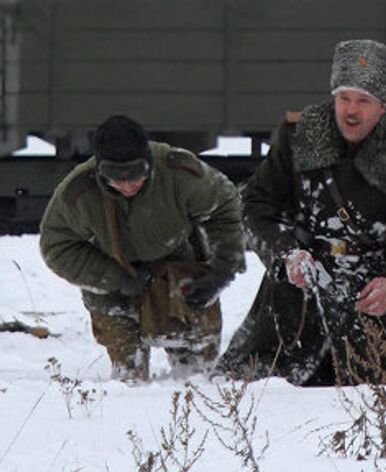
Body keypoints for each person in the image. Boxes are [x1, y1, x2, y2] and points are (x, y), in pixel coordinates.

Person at [216, 39, 386, 385]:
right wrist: (286, 254)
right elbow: (257, 205)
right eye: (344, 98)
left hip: (368, 311)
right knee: (253, 391)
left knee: (374, 396)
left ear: (382, 107)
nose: (351, 111)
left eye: (363, 101)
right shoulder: (299, 136)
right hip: (294, 304)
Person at [39, 114, 245, 380]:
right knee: (128, 378)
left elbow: (225, 207)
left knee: (198, 377)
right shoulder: (77, 193)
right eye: (115, 178)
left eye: (135, 175)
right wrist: (114, 278)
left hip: (180, 271)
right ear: (100, 170)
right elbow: (56, 246)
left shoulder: (180, 172)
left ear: (148, 162)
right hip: (113, 279)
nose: (127, 186)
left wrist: (221, 269)